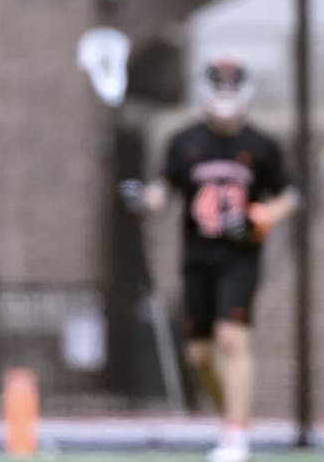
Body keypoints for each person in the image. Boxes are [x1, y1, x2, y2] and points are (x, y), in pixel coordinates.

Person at [120, 55, 299, 462]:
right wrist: (142, 199)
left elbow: (290, 195)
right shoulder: (184, 143)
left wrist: (263, 216)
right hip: (197, 256)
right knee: (199, 356)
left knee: (231, 337)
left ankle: (236, 434)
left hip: (239, 255)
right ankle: (230, 419)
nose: (225, 101)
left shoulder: (261, 146)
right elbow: (162, 191)